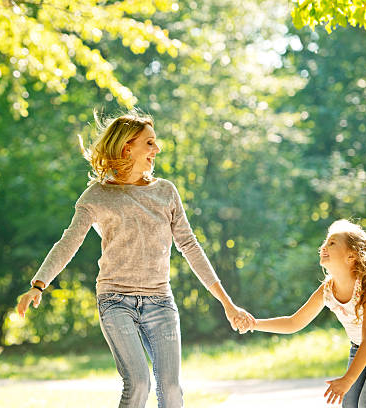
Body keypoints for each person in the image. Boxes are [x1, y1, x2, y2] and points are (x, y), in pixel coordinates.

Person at [16, 110, 254, 408]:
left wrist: (227, 303)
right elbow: (68, 242)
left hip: (160, 300)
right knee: (139, 382)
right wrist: (38, 285)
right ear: (127, 147)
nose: (158, 149)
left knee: (170, 389)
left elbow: (190, 247)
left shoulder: (166, 192)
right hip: (115, 300)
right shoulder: (97, 196)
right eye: (150, 143)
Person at [245, 219, 366, 407]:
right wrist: (254, 323)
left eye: (332, 243)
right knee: (350, 404)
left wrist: (347, 380)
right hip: (359, 348)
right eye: (325, 242)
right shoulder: (326, 290)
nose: (324, 246)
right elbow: (294, 322)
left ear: (352, 256)